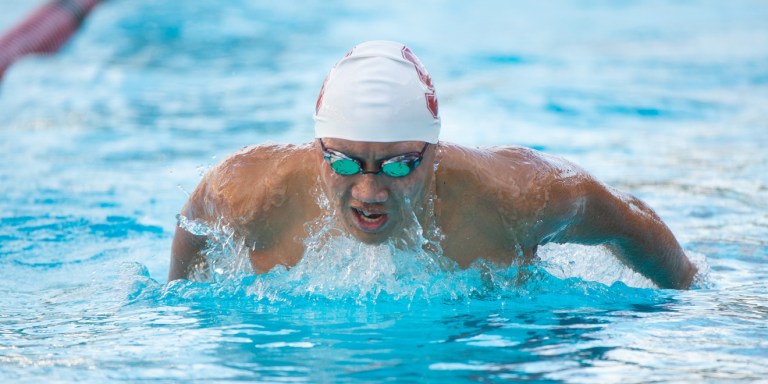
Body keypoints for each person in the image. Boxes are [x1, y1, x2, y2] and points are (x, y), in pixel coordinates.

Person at [169, 40, 697, 289]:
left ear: (434, 154)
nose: (370, 191)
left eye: (398, 166)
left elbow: (629, 219)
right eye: (347, 163)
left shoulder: (515, 196)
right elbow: (191, 225)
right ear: (318, 150)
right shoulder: (248, 191)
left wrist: (691, 302)